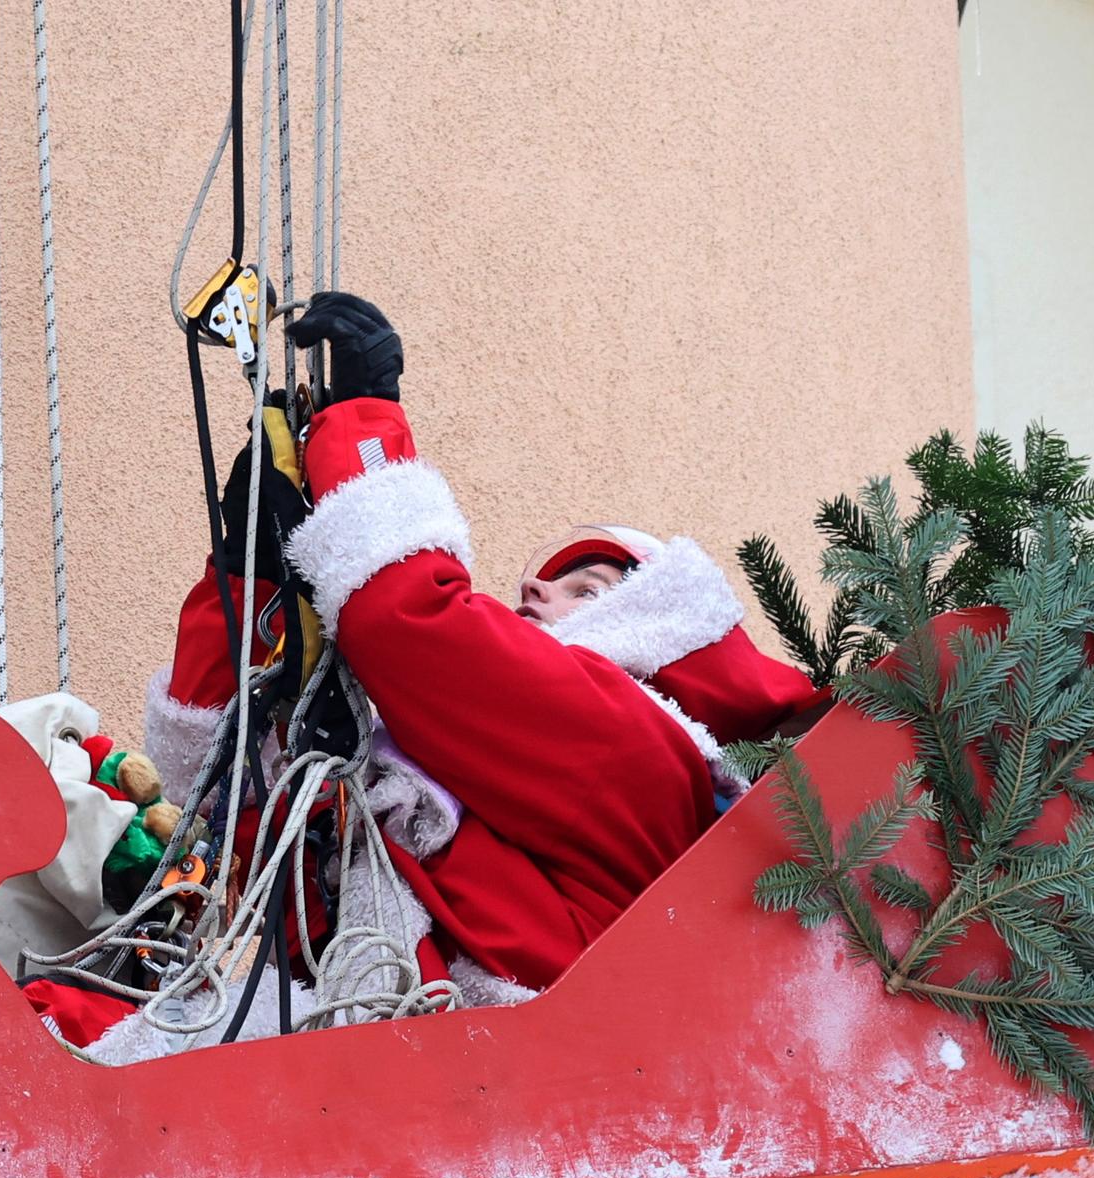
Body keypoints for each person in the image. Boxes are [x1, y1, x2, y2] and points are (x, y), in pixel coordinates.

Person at [144, 291, 820, 1000]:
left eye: (586, 590)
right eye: (543, 580)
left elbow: (410, 622)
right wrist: (249, 583)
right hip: (418, 1057)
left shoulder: (649, 759)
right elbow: (241, 818)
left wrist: (365, 426)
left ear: (656, 634)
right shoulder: (424, 800)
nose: (532, 587)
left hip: (455, 1058)